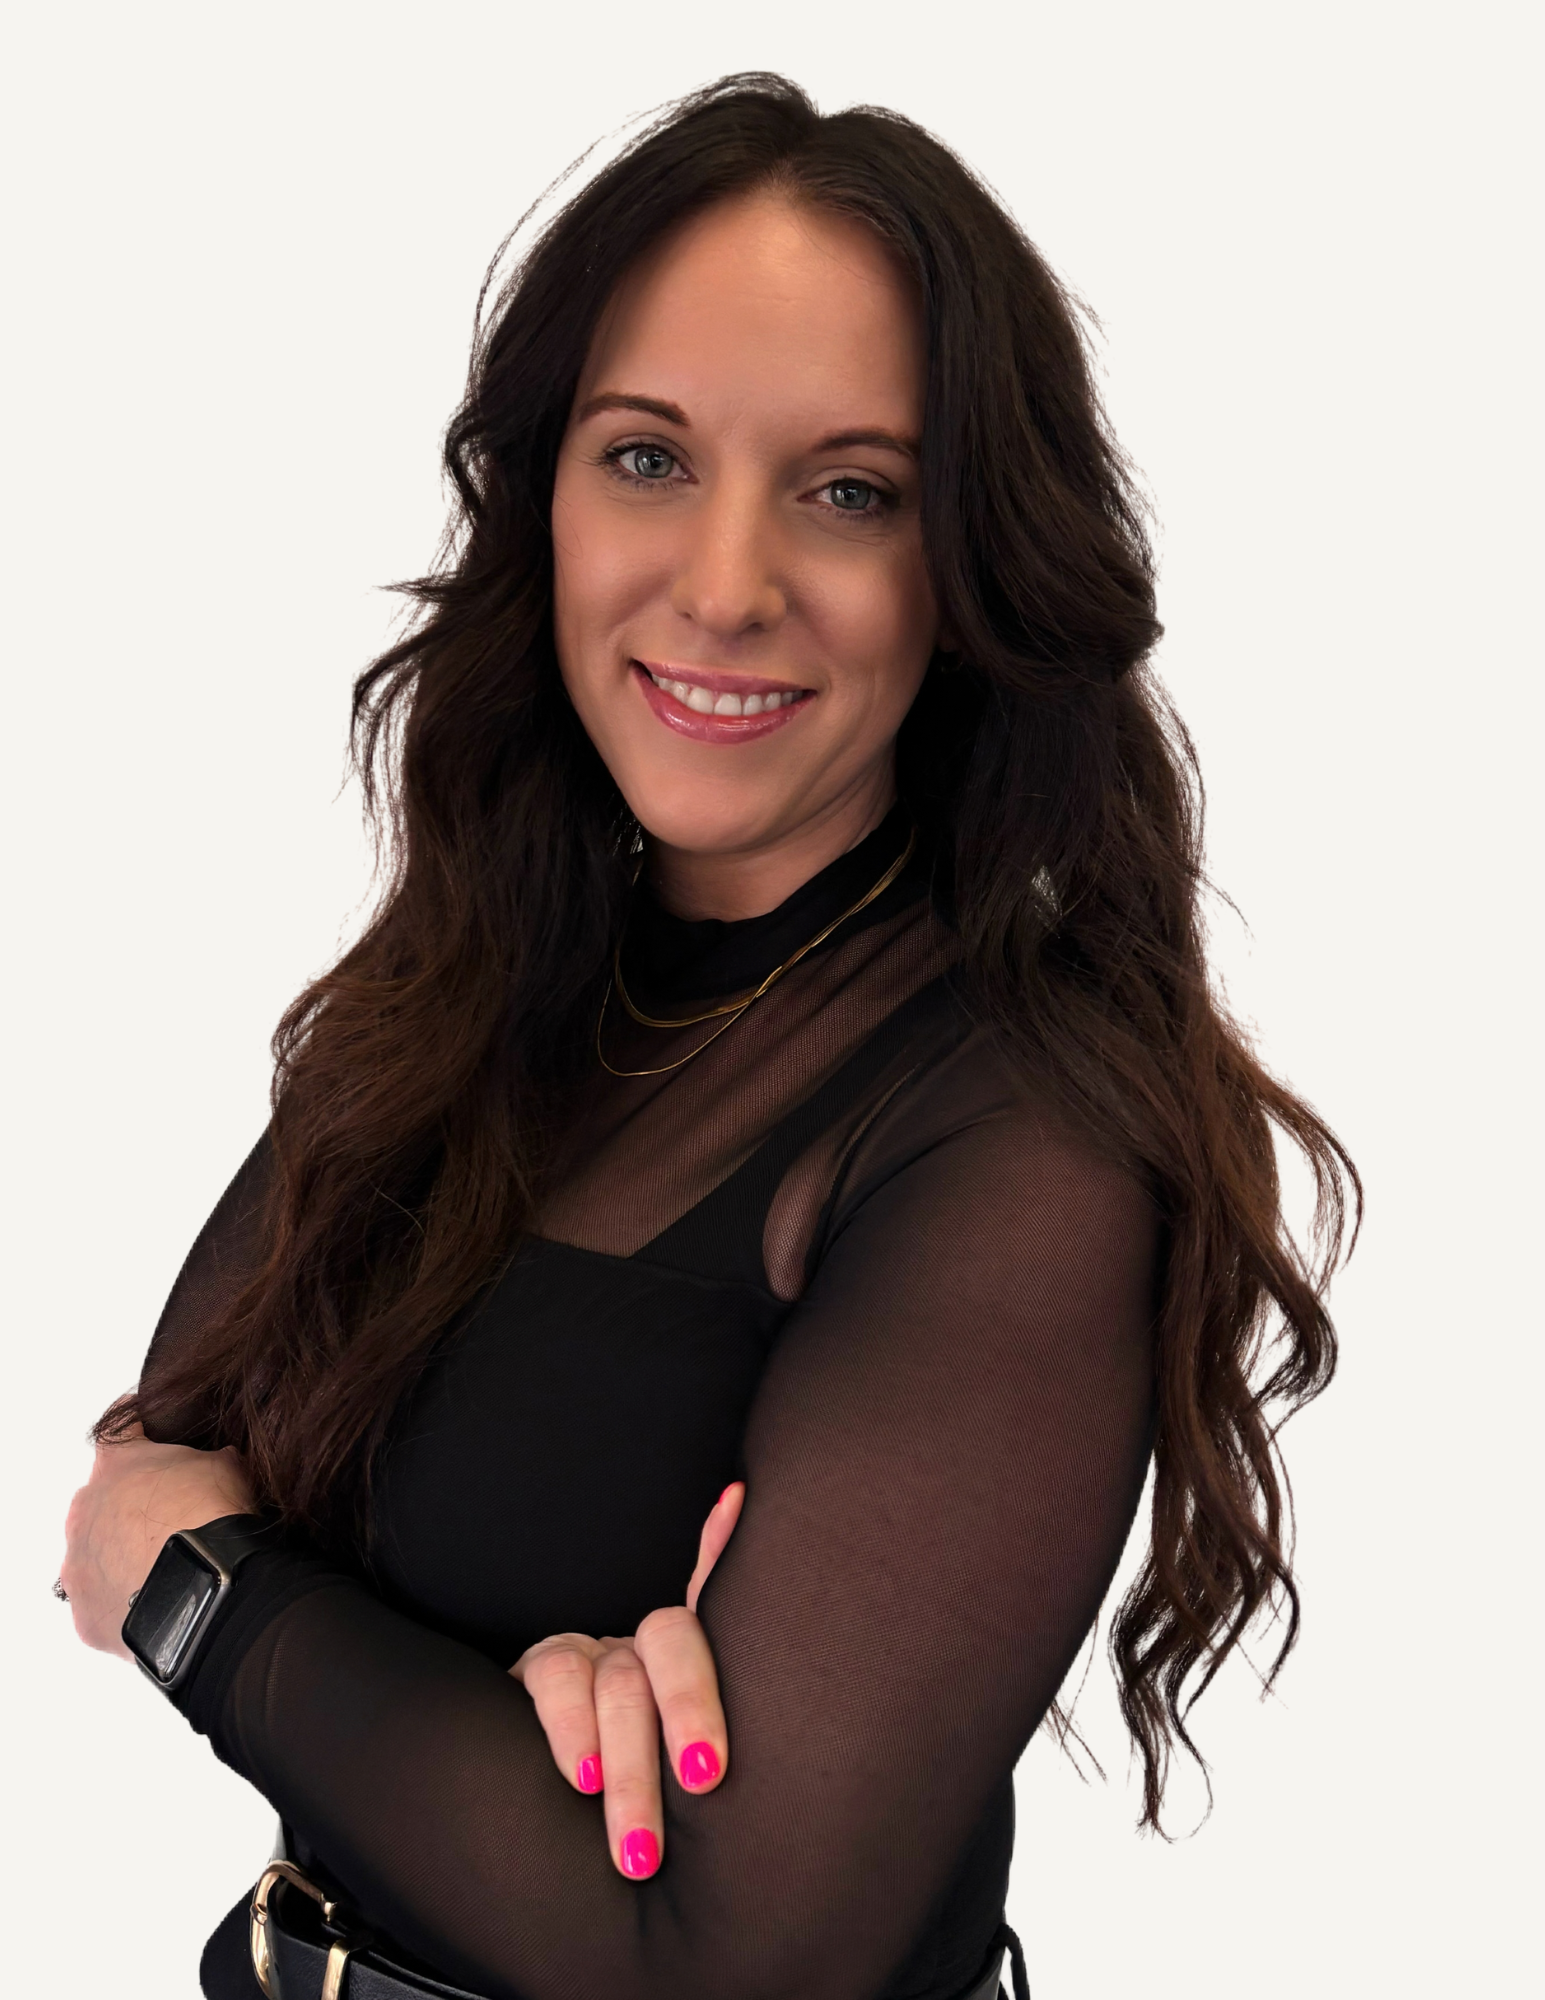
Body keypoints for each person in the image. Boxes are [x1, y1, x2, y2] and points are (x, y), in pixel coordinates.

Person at [59, 73, 1358, 2000]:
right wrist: (512, 1699)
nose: (726, 583)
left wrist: (216, 1606)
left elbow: (728, 1963)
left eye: (849, 492)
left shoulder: (1028, 1132)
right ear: (546, 500)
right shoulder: (496, 975)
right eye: (647, 457)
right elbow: (155, 1455)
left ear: (973, 566)